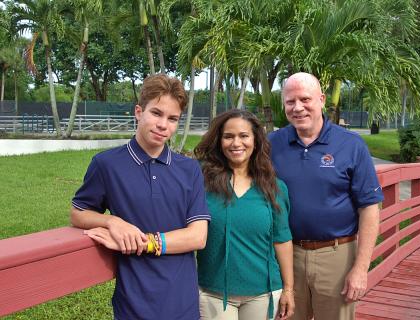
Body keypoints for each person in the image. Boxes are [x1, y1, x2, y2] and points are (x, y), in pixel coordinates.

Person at [70, 74, 210, 320]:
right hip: (133, 304)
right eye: (156, 113)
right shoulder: (106, 165)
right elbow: (79, 213)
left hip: (182, 303)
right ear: (138, 112)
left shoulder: (189, 169)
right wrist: (112, 221)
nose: (163, 124)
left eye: (172, 118)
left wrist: (145, 243)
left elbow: (197, 237)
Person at [268, 72, 384, 320]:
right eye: (290, 101)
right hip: (286, 256)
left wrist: (361, 269)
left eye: (305, 99)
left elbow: (370, 208)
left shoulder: (351, 145)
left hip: (337, 255)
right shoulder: (271, 145)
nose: (297, 108)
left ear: (321, 99)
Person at [194, 110, 295, 320]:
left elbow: (282, 240)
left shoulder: (275, 188)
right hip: (213, 292)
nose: (236, 143)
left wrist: (288, 289)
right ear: (219, 141)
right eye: (228, 136)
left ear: (256, 141)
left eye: (243, 136)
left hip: (263, 293)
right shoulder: (200, 182)